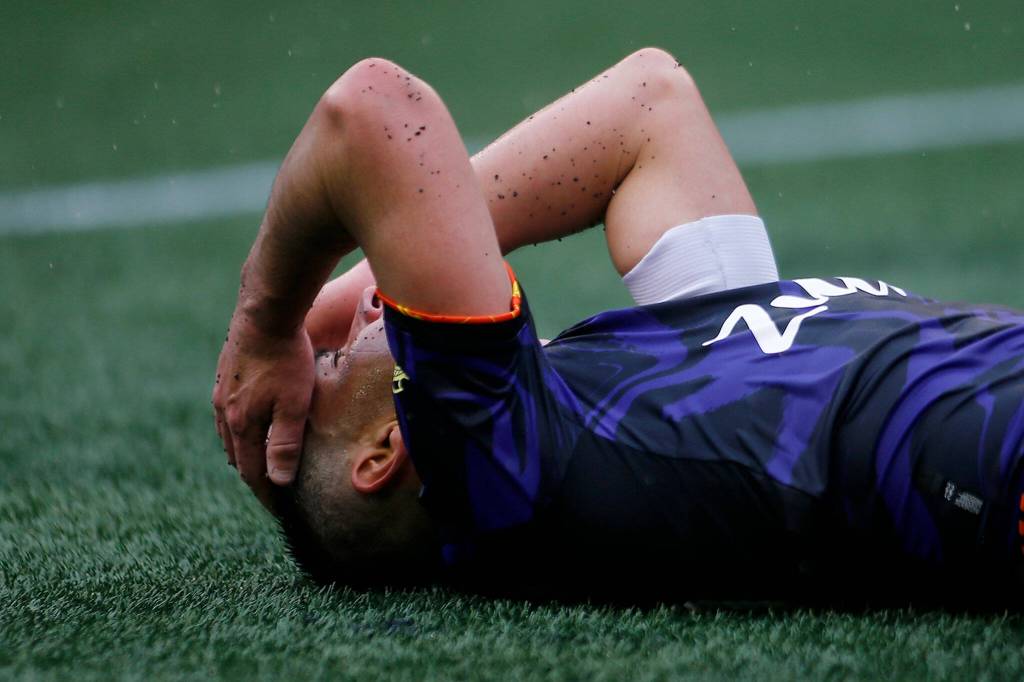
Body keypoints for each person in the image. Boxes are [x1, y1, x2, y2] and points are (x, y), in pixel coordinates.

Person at [212, 48, 1024, 604]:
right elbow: (373, 112)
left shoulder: (674, 396)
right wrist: (267, 317)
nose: (348, 316)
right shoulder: (494, 461)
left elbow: (650, 106)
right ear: (389, 449)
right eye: (331, 361)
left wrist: (350, 282)